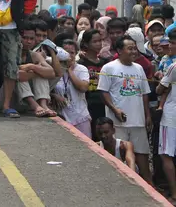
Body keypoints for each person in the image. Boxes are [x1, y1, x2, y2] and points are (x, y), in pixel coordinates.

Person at [98, 35, 153, 184]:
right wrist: (115, 110)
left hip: (138, 121)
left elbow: (144, 94)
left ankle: (149, 184)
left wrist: (147, 115)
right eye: (130, 48)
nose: (134, 51)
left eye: (135, 48)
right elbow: (103, 91)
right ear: (119, 50)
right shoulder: (109, 67)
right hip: (118, 122)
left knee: (142, 154)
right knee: (120, 154)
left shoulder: (139, 68)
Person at [51, 39, 91, 135]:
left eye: (72, 53)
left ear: (76, 53)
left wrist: (69, 71)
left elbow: (83, 88)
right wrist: (54, 96)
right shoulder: (53, 68)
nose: (69, 55)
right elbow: (47, 89)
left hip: (80, 117)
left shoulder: (82, 69)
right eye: (66, 52)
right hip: (60, 116)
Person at [158, 60, 176, 203]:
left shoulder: (173, 66)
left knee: (166, 154)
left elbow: (159, 89)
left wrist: (162, 80)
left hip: (171, 116)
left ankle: (175, 194)